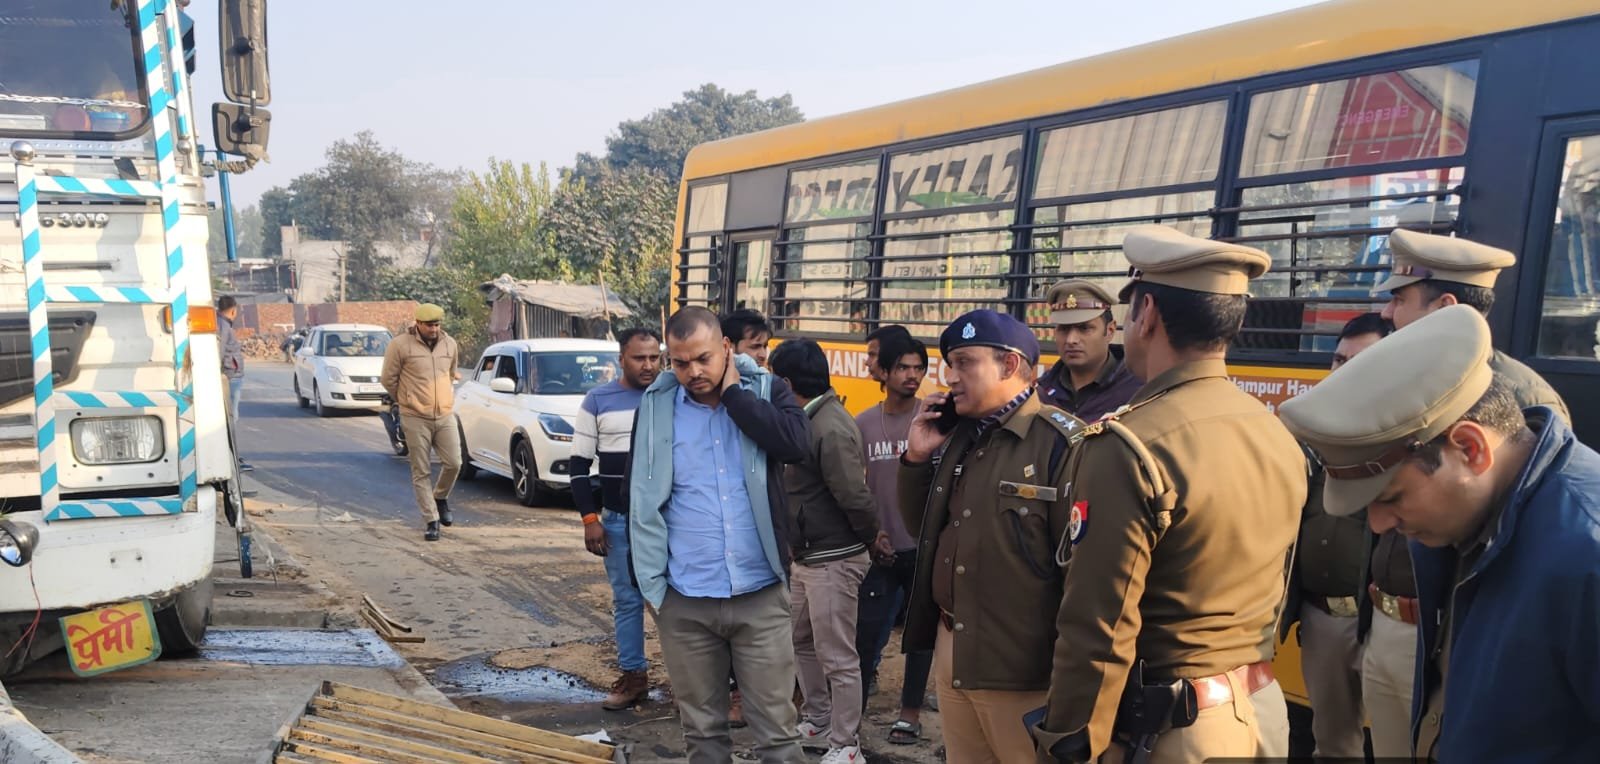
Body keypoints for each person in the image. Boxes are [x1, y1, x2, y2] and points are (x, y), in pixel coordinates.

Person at [1031, 225, 1306, 763]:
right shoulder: (1274, 429)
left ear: (1149, 313)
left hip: (1176, 731)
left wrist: (1067, 743)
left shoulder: (1130, 445)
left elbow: (1099, 628)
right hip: (1263, 709)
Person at [1279, 304, 1600, 762]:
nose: (1379, 525)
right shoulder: (1467, 523)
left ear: (1470, 448)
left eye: (1391, 497)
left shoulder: (1586, 553)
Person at [624, 306, 811, 764]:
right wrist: (653, 590)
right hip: (685, 601)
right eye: (680, 362)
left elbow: (796, 444)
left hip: (759, 594)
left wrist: (735, 397)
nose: (693, 372)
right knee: (704, 736)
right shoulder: (657, 406)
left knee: (778, 736)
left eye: (703, 359)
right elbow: (640, 496)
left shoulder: (766, 389)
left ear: (726, 348)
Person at [897, 308, 1083, 763]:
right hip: (953, 645)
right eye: (950, 364)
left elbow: (1083, 573)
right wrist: (917, 459)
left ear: (1010, 364)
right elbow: (923, 529)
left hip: (1019, 666)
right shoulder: (960, 434)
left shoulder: (1061, 443)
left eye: (965, 363)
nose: (950, 377)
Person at [1277, 312, 1391, 759]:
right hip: (1324, 618)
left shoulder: (1406, 433)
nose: (1342, 372)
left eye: (1359, 362)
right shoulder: (1305, 431)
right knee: (1333, 744)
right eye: (1338, 360)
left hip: (1386, 620)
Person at [769, 339, 879, 764]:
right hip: (808, 555)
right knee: (800, 640)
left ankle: (846, 744)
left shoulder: (828, 427)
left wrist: (869, 538)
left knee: (837, 656)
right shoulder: (808, 419)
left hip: (833, 557)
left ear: (785, 382)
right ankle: (818, 718)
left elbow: (854, 496)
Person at [1377, 228, 1569, 421]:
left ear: (1445, 308)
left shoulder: (1526, 400)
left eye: (1400, 300)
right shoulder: (1404, 376)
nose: (1386, 312)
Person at [570, 328, 662, 712]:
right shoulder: (598, 400)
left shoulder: (671, 396)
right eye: (640, 358)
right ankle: (634, 677)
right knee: (627, 600)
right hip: (619, 521)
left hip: (665, 521)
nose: (648, 365)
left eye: (655, 357)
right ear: (621, 359)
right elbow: (578, 466)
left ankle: (693, 684)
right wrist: (590, 519)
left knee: (677, 602)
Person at [854, 333, 934, 747]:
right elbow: (856, 487)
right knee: (866, 637)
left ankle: (909, 714)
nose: (912, 375)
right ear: (883, 372)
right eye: (903, 367)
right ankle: (850, 718)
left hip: (924, 548)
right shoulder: (864, 423)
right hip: (880, 550)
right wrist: (871, 536)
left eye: (918, 368)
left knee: (919, 638)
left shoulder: (934, 418)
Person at [380, 304, 462, 542]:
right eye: (429, 325)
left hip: (444, 414)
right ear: (418, 324)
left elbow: (450, 373)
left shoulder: (450, 344)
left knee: (454, 463)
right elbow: (388, 379)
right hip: (415, 416)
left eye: (437, 325)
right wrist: (407, 400)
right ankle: (431, 520)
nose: (434, 329)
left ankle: (440, 496)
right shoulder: (400, 345)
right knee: (421, 470)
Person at [1035, 280, 1141, 422]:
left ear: (1110, 330)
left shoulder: (1137, 390)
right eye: (1064, 329)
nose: (1071, 340)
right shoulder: (1041, 392)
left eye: (1084, 328)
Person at [216, 296, 253, 473]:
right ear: (233, 310)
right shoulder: (224, 326)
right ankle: (230, 458)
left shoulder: (222, 323)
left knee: (230, 418)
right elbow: (220, 350)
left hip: (231, 375)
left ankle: (231, 456)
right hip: (231, 377)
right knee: (231, 419)